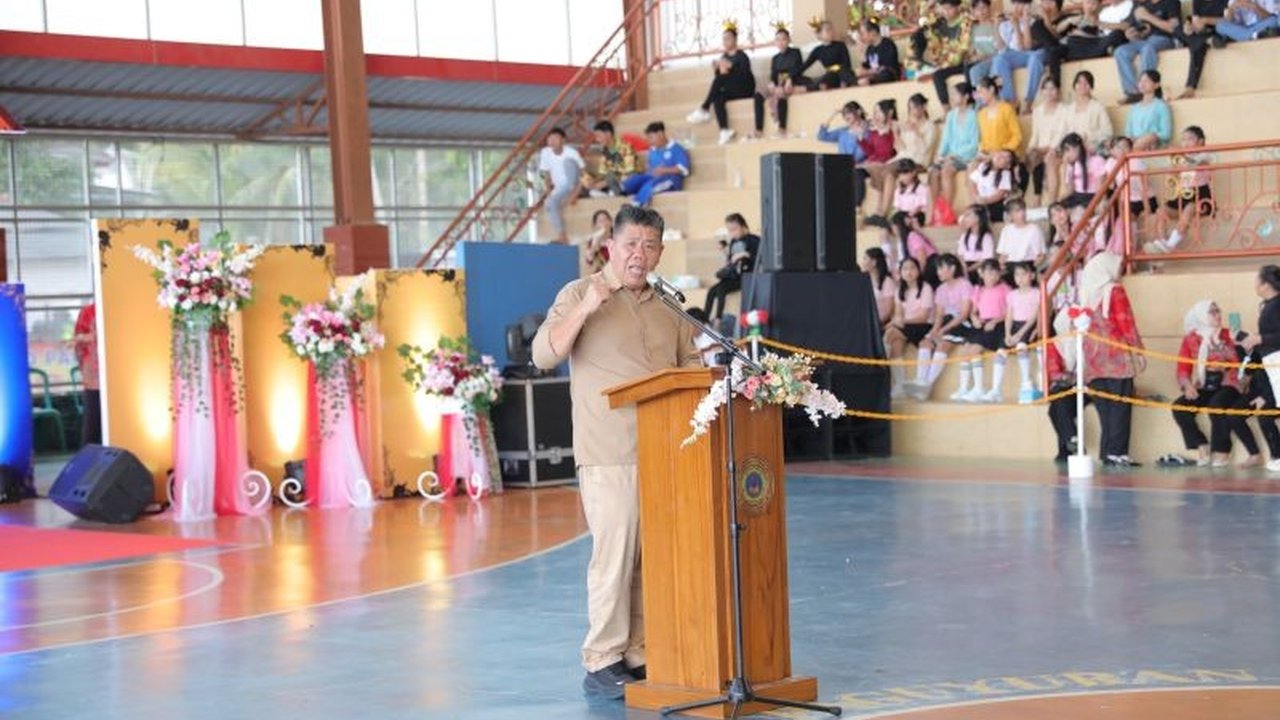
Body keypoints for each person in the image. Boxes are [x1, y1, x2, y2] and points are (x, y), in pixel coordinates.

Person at [531, 205, 701, 701]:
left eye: (650, 246)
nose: (639, 255)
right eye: (630, 245)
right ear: (611, 246)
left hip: (665, 450)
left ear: (660, 251)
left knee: (652, 557)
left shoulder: (670, 306)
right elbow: (543, 355)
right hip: (609, 450)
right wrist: (588, 305)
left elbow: (690, 369)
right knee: (616, 554)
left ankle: (639, 651)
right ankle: (602, 657)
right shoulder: (578, 294)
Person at [1169, 300, 1261, 467]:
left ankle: (1222, 450)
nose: (1218, 315)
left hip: (1230, 382)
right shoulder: (1191, 338)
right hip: (1206, 383)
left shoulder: (1230, 334)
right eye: (1212, 312)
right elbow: (1183, 366)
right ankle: (1201, 444)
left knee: (1216, 405)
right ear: (1201, 316)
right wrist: (1187, 385)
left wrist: (1224, 365)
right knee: (1179, 407)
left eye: (1218, 310)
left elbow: (1245, 359)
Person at [1080, 252, 1145, 466]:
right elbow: (1126, 322)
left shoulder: (1087, 293)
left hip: (1093, 361)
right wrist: (1138, 350)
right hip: (1116, 359)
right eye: (1117, 266)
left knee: (1105, 410)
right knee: (1121, 406)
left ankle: (1107, 453)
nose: (1120, 270)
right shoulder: (1114, 290)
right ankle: (1118, 453)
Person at [911, 253, 973, 399]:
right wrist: (934, 331)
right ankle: (921, 382)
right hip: (945, 322)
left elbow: (964, 313)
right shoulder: (940, 289)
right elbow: (939, 316)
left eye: (941, 268)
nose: (938, 272)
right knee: (925, 342)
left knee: (943, 345)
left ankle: (927, 385)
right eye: (937, 269)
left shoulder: (964, 284)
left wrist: (943, 330)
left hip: (960, 323)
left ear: (952, 269)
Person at [1145, 125, 1213, 254]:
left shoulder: (1205, 155)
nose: (1185, 142)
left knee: (1189, 209)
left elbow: (1194, 162)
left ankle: (1171, 244)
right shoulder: (1181, 158)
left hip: (1201, 196)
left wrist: (1180, 155)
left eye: (1190, 139)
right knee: (1161, 211)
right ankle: (1161, 242)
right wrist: (1173, 166)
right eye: (1183, 139)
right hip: (1183, 195)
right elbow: (1177, 175)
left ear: (1201, 142)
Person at [686, 23, 756, 145]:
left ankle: (704, 108)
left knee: (720, 81)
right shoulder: (723, 56)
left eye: (728, 38)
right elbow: (720, 80)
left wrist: (731, 67)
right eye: (724, 39)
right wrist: (717, 70)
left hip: (745, 89)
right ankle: (724, 130)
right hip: (732, 90)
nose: (725, 41)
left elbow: (745, 75)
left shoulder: (742, 56)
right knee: (718, 96)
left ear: (735, 39)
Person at [1239, 265, 1280, 472]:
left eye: (1257, 280)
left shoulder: (1276, 305)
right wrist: (1254, 340)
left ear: (1265, 284)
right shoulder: (1269, 306)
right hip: (1272, 361)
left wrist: (1260, 338)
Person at [952, 258, 1010, 401]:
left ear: (999, 274)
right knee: (965, 350)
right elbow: (973, 311)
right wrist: (974, 319)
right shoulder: (978, 290)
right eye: (988, 272)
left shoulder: (1004, 289)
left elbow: (1009, 312)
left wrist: (996, 321)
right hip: (982, 324)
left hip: (997, 325)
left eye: (995, 273)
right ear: (981, 273)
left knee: (974, 349)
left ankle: (979, 388)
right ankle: (964, 386)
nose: (992, 276)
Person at [884, 257, 936, 399]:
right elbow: (898, 313)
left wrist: (901, 322)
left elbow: (924, 316)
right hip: (906, 326)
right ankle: (900, 386)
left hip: (922, 326)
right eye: (905, 269)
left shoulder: (926, 288)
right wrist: (897, 321)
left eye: (912, 268)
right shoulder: (899, 289)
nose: (909, 272)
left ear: (918, 270)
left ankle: (881, 365)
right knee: (895, 343)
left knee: (891, 334)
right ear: (900, 272)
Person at [1115, 0, 1182, 105]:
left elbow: (1173, 27)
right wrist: (1131, 34)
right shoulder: (1141, 5)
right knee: (1120, 51)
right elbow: (1132, 27)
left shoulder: (1171, 2)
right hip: (1143, 40)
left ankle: (1145, 89)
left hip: (1164, 38)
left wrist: (1147, 16)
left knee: (1147, 48)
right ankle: (1132, 92)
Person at [929, 82, 980, 211]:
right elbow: (946, 139)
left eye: (955, 94)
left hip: (965, 156)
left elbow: (974, 144)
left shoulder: (974, 115)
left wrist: (954, 154)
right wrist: (940, 155)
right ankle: (934, 210)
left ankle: (946, 210)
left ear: (966, 97)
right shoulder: (951, 115)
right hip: (950, 156)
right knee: (933, 172)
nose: (952, 97)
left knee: (946, 170)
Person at [753, 25, 809, 138]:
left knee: (781, 93)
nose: (781, 42)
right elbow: (773, 75)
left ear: (788, 40)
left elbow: (798, 68)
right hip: (779, 83)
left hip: (793, 80)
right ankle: (759, 129)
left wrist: (789, 79)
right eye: (778, 39)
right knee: (758, 95)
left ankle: (782, 128)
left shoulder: (795, 52)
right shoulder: (775, 58)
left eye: (783, 39)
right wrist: (772, 84)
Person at [704, 213, 760, 320]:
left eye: (734, 229)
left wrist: (745, 254)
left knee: (721, 289)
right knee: (711, 291)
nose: (732, 233)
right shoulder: (733, 242)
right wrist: (725, 252)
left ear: (743, 226)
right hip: (732, 276)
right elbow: (731, 260)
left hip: (746, 277)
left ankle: (718, 320)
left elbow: (760, 259)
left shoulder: (754, 240)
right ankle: (704, 320)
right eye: (730, 230)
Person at [621, 122, 690, 207]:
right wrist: (649, 168)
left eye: (651, 137)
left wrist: (665, 170)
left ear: (660, 134)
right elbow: (650, 166)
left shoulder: (676, 149)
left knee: (651, 185)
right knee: (636, 179)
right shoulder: (652, 150)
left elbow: (683, 168)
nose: (649, 141)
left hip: (670, 180)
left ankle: (637, 205)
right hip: (653, 177)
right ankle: (622, 189)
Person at [1026, 75, 1071, 202]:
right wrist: (1030, 149)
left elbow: (1061, 133)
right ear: (1042, 91)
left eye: (1053, 89)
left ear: (1058, 91)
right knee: (1029, 156)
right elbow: (1035, 134)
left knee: (1049, 157)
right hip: (1040, 149)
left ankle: (1052, 201)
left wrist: (1049, 148)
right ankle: (1036, 198)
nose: (1049, 92)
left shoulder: (1064, 109)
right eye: (1046, 89)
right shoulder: (1037, 111)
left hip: (1057, 148)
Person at [1005, 262, 1044, 403]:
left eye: (1023, 274)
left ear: (1032, 275)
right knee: (1017, 347)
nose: (1019, 278)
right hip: (1016, 325)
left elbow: (1034, 316)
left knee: (1024, 346)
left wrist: (1019, 334)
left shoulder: (1037, 293)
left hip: (1029, 325)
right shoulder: (1011, 294)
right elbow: (1009, 315)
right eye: (1017, 275)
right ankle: (1026, 380)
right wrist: (1008, 333)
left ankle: (1037, 380)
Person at [538, 128, 585, 243]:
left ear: (563, 140)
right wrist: (548, 192)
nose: (552, 141)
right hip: (560, 189)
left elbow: (583, 174)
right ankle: (562, 234)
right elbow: (545, 173)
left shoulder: (571, 152)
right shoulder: (545, 152)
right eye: (550, 138)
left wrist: (575, 193)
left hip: (574, 185)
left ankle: (570, 192)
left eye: (555, 138)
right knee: (549, 203)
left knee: (568, 162)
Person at [1176, 0, 1229, 100]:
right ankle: (1207, 40)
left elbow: (1229, 21)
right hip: (1203, 34)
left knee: (1196, 46)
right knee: (1177, 30)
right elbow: (1195, 20)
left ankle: (1190, 87)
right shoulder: (1197, 2)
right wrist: (1189, 26)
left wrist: (1205, 20)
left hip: (1219, 32)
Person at [910, 0, 973, 79]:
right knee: (919, 34)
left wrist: (942, 66)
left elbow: (961, 52)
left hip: (960, 63)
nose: (946, 12)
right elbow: (924, 15)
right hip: (942, 61)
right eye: (944, 9)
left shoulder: (965, 23)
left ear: (958, 8)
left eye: (949, 9)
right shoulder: (939, 22)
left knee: (938, 75)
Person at [862, 99, 899, 216]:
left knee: (877, 169)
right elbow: (870, 151)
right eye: (874, 113)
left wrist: (884, 134)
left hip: (887, 161)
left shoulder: (894, 128)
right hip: (874, 162)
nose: (875, 116)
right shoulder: (874, 132)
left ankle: (881, 208)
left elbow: (889, 152)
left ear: (889, 113)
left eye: (878, 112)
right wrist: (861, 139)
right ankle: (879, 208)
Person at [581, 120, 637, 198]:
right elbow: (603, 173)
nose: (597, 140)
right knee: (584, 178)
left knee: (611, 176)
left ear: (608, 134)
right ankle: (608, 194)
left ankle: (616, 195)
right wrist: (593, 182)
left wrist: (605, 182)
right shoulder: (606, 150)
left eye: (599, 136)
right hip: (611, 183)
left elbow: (628, 172)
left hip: (627, 182)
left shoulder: (625, 147)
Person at [1063, 71, 1114, 152]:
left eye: (1086, 83)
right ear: (1074, 86)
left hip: (1092, 148)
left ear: (1091, 87)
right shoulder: (1068, 109)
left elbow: (1108, 132)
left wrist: (1089, 137)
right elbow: (1064, 132)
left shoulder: (1098, 107)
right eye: (1079, 82)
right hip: (1071, 148)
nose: (1082, 86)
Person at [73, 302, 101, 446]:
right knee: (93, 425)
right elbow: (77, 338)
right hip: (94, 377)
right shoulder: (88, 311)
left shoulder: (120, 308)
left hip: (118, 374)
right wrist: (91, 337)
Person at [1124, 69, 1171, 151]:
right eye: (1141, 81)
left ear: (1156, 85)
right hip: (1135, 142)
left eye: (1146, 81)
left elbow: (1166, 133)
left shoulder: (1161, 106)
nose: (1142, 84)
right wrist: (1132, 138)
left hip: (1153, 145)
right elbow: (1128, 131)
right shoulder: (1134, 107)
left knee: (1149, 137)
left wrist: (1148, 138)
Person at [1058, 132, 1108, 208]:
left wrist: (1101, 203)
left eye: (1068, 150)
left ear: (1078, 147)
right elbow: (1070, 190)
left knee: (1078, 211)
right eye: (1064, 151)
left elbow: (1100, 189)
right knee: (1058, 208)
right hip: (1077, 196)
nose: (1066, 154)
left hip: (1092, 196)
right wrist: (1058, 201)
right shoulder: (1071, 164)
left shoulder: (1097, 160)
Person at [974, 76, 1022, 156]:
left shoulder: (1007, 109)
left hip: (1006, 155)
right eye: (977, 93)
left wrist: (1003, 151)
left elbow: (1017, 136)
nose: (979, 96)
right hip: (989, 156)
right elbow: (981, 140)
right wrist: (983, 151)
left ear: (991, 90)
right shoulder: (981, 114)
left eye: (981, 92)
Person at [800, 19, 855, 89]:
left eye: (832, 29)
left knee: (845, 75)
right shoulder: (818, 50)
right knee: (821, 82)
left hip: (843, 73)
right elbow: (805, 65)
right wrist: (791, 77)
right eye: (827, 30)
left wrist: (843, 80)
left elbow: (847, 64)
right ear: (820, 34)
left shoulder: (841, 45)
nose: (831, 32)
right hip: (830, 76)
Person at [969, 149, 1018, 223]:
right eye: (1000, 154)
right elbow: (973, 182)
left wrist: (986, 201)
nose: (1000, 157)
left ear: (1008, 166)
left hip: (994, 204)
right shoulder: (983, 166)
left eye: (1004, 158)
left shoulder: (1006, 174)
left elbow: (1000, 194)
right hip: (979, 202)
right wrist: (975, 196)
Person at [890, 93, 938, 169]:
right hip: (903, 158)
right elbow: (900, 150)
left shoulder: (930, 126)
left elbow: (925, 150)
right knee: (878, 169)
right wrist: (896, 133)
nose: (912, 112)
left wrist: (916, 131)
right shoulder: (908, 125)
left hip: (919, 162)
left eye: (914, 107)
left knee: (886, 170)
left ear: (924, 107)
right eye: (910, 108)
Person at [997, 198, 1047, 266]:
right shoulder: (1006, 229)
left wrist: (1030, 268)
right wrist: (1001, 267)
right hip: (1010, 265)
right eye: (1017, 211)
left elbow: (1041, 255)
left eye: (1023, 209)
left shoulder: (1034, 229)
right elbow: (1003, 255)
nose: (1022, 213)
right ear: (1010, 215)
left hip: (1026, 265)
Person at [957, 204, 996, 280]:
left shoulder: (986, 237)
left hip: (978, 266)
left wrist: (969, 269)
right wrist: (964, 266)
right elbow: (960, 254)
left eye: (968, 215)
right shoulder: (964, 235)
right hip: (965, 265)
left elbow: (986, 259)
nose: (965, 219)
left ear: (978, 218)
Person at [856, 21, 901, 85]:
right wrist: (862, 56)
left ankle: (869, 81)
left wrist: (868, 73)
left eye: (862, 34)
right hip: (872, 76)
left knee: (885, 74)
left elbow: (886, 67)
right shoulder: (869, 48)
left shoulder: (888, 44)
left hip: (887, 76)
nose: (862, 38)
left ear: (873, 32)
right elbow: (865, 67)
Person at [862, 247, 896, 326]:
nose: (862, 262)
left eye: (865, 259)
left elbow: (888, 310)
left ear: (874, 262)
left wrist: (876, 323)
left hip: (881, 323)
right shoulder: (864, 280)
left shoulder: (887, 282)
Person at [1216, 0, 1280, 42]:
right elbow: (1229, 22)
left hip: (1261, 26)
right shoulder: (1233, 1)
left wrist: (1254, 7)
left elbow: (1271, 17)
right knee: (1220, 25)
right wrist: (1231, 10)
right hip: (1244, 29)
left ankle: (1249, 36)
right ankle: (1254, 36)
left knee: (1273, 21)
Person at [584, 209, 612, 274]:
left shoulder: (617, 238)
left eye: (606, 219)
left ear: (610, 222)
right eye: (600, 221)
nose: (604, 223)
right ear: (595, 225)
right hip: (601, 275)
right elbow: (589, 262)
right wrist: (596, 240)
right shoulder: (592, 241)